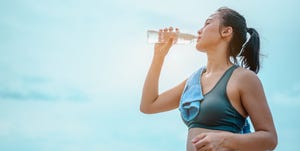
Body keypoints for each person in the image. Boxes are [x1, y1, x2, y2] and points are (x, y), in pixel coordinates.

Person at [140, 7, 277, 151]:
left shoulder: (243, 78)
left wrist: (224, 140)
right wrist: (159, 56)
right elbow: (148, 105)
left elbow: (270, 138)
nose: (199, 30)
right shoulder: (194, 81)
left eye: (207, 23)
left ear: (226, 31)